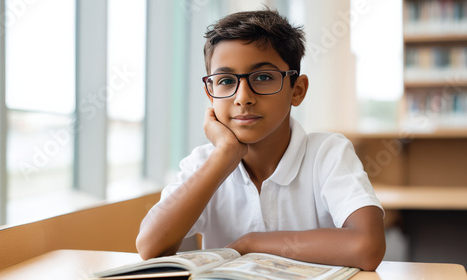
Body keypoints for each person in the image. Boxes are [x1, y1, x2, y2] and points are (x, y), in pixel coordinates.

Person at [136, 9, 386, 271]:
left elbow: (366, 246)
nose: (243, 97)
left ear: (297, 90)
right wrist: (225, 154)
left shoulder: (327, 153)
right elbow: (150, 245)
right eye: (225, 81)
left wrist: (252, 244)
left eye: (263, 77)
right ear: (210, 94)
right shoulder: (203, 162)